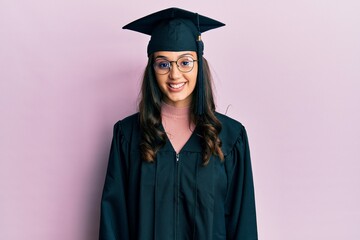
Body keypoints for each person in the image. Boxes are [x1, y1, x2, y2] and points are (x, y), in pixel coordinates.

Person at [99, 7, 258, 240]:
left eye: (185, 62)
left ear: (198, 64)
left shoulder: (231, 138)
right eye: (163, 64)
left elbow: (243, 225)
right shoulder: (128, 136)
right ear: (152, 70)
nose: (175, 74)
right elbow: (114, 223)